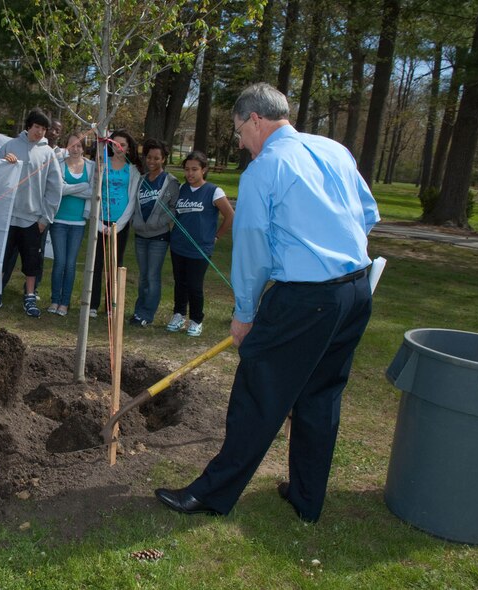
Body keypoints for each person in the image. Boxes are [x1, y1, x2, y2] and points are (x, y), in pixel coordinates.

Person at [154, 83, 379, 524]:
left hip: (306, 298)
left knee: (258, 393)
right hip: (355, 291)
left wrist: (245, 313)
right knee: (320, 395)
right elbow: (368, 214)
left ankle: (212, 494)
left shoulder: (265, 168)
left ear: (255, 119)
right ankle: (306, 497)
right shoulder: (334, 149)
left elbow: (252, 245)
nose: (239, 141)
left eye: (239, 130)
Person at [0, 108, 63, 318]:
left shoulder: (48, 153)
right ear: (28, 127)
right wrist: (4, 163)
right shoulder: (9, 146)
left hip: (33, 219)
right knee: (2, 258)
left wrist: (45, 218)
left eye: (44, 129)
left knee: (32, 263)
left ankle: (29, 296)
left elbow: (55, 188)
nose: (40, 132)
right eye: (37, 127)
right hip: (7, 217)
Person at [165, 151, 234, 336]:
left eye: (194, 169)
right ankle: (178, 314)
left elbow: (230, 216)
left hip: (200, 249)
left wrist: (217, 236)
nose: (190, 173)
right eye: (187, 169)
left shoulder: (214, 191)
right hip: (179, 246)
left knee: (195, 285)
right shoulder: (181, 189)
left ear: (204, 170)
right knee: (180, 282)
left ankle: (196, 319)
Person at [89, 129, 141, 318]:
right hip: (100, 220)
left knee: (115, 264)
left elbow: (132, 199)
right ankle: (92, 304)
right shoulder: (102, 164)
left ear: (128, 148)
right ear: (110, 144)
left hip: (120, 223)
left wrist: (118, 224)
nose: (118, 148)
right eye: (115, 143)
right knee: (97, 263)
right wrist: (99, 224)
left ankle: (110, 306)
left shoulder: (132, 170)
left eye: (123, 145)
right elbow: (93, 192)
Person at [129, 138, 179, 327]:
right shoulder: (141, 180)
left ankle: (147, 315)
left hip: (159, 237)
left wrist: (159, 222)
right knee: (142, 276)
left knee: (152, 275)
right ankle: (138, 311)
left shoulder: (170, 182)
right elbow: (135, 204)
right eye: (149, 157)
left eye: (157, 158)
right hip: (140, 235)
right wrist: (136, 221)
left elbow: (174, 208)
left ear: (163, 159)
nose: (152, 161)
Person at [46, 131, 93, 317]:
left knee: (71, 264)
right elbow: (58, 190)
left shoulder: (91, 167)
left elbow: (92, 192)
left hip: (78, 223)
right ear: (67, 146)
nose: (76, 149)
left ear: (84, 148)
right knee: (59, 262)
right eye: (72, 145)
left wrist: (69, 189)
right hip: (58, 220)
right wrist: (82, 187)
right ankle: (54, 300)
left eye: (79, 145)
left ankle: (65, 303)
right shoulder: (59, 165)